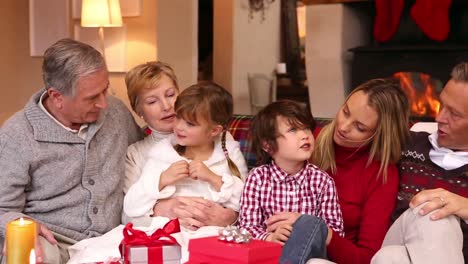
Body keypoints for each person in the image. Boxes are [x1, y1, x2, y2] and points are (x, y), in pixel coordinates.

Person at [68, 82, 248, 263]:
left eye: (190, 124)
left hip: (210, 234)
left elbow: (247, 201)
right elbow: (131, 206)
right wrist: (161, 180)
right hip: (164, 232)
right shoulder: (162, 154)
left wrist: (213, 178)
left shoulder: (228, 151)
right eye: (178, 118)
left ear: (214, 130)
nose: (179, 127)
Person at [0, 39, 142, 263]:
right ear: (57, 97)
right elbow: (2, 207)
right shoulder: (16, 136)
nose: (104, 103)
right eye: (92, 98)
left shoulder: (116, 113)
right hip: (54, 241)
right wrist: (18, 222)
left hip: (115, 238)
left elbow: (142, 157)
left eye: (105, 90)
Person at [302, 78, 410, 264]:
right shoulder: (311, 141)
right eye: (345, 112)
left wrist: (325, 234)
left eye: (360, 127)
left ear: (379, 135)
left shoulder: (380, 175)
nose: (343, 127)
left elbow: (368, 257)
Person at [371, 63, 468, 263]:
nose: (439, 117)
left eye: (455, 114)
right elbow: (346, 142)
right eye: (442, 105)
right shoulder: (407, 143)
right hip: (399, 236)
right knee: (433, 211)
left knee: (390, 258)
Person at [123, 62, 239, 228]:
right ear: (138, 111)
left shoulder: (220, 139)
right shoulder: (136, 153)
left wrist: (231, 217)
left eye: (170, 95)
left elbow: (247, 196)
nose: (167, 106)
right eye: (152, 101)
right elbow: (127, 217)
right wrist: (161, 211)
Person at [238, 100, 344, 264]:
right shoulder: (257, 178)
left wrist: (303, 223)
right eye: (293, 130)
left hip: (311, 256)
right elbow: (246, 227)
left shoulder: (322, 181)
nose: (305, 135)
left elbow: (335, 232)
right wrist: (270, 237)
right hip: (268, 254)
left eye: (307, 128)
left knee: (311, 225)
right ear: (267, 145)